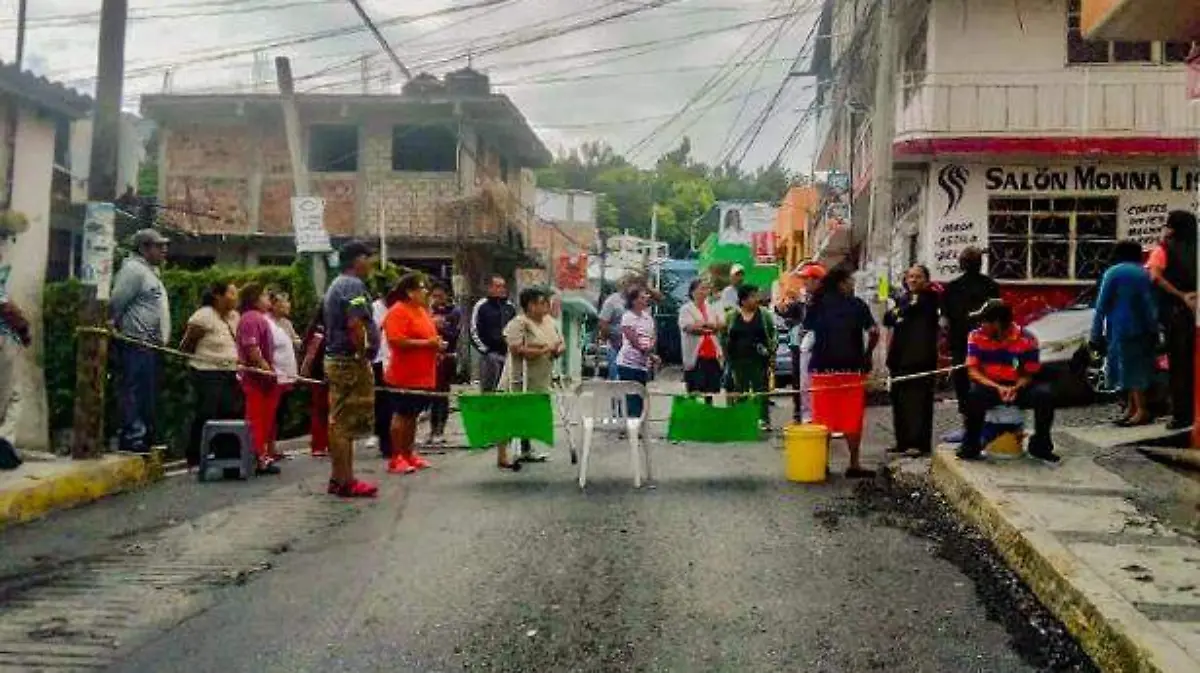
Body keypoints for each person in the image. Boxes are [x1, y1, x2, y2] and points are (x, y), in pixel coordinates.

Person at [959, 300, 1060, 463]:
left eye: (984, 321)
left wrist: (1015, 388)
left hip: (1018, 386)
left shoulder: (1027, 339)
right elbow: (973, 371)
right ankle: (971, 445)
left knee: (1044, 395)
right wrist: (998, 387)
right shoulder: (976, 336)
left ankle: (1041, 446)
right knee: (973, 395)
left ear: (997, 324)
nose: (981, 324)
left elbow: (1029, 374)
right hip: (990, 385)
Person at [803, 265, 879, 478]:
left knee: (822, 418)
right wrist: (868, 354)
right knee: (852, 417)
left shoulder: (817, 305)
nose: (852, 285)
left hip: (822, 369)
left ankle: (822, 464)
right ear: (841, 283)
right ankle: (854, 463)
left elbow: (807, 332)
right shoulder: (857, 305)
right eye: (850, 282)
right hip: (851, 369)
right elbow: (874, 332)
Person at [322, 240, 381, 498]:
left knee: (337, 422)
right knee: (345, 424)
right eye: (367, 259)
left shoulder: (337, 284)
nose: (370, 264)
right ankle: (346, 481)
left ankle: (339, 478)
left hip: (338, 359)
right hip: (348, 361)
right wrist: (361, 355)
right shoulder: (352, 285)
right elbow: (355, 322)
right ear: (357, 260)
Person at [109, 228, 171, 453]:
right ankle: (133, 436)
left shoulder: (150, 272)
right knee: (133, 391)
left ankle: (144, 435)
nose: (164, 250)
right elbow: (116, 303)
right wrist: (115, 330)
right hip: (135, 342)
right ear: (144, 248)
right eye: (158, 245)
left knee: (146, 392)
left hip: (149, 345)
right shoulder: (133, 271)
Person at [1091, 241, 1158, 427]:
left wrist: (1095, 334)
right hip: (1144, 326)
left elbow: (1101, 305)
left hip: (1122, 327)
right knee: (1138, 367)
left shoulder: (1113, 272)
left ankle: (1141, 411)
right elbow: (1150, 303)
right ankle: (1132, 409)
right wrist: (1155, 328)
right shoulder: (1144, 273)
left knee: (1128, 369)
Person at [381, 273, 441, 475]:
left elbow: (428, 336)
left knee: (413, 416)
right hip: (403, 374)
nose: (426, 291)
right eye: (421, 288)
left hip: (423, 375)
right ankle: (396, 456)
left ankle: (408, 454)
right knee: (402, 415)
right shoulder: (398, 311)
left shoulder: (421, 311)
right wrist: (427, 344)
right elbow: (396, 340)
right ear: (409, 292)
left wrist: (436, 344)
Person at [500, 286, 565, 468]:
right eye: (541, 303)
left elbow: (560, 343)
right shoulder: (519, 323)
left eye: (546, 302)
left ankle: (526, 449)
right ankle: (503, 455)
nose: (546, 306)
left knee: (529, 414)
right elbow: (516, 349)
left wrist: (557, 350)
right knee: (511, 414)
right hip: (519, 377)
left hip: (540, 376)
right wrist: (544, 350)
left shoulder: (550, 322)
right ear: (530, 305)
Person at [940, 247, 1000, 442]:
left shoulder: (952, 287)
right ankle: (985, 428)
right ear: (980, 264)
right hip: (988, 346)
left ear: (961, 264)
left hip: (961, 346)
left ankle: (968, 429)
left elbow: (944, 322)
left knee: (964, 387)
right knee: (984, 385)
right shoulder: (991, 286)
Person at [179, 281, 242, 468]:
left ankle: (227, 455)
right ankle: (196, 455)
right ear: (218, 296)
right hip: (207, 371)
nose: (235, 297)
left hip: (229, 371)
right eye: (231, 293)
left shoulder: (234, 317)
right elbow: (187, 344)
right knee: (207, 412)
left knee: (230, 413)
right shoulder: (204, 316)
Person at [1147, 210, 1197, 430]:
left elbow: (1155, 277)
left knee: (1178, 365)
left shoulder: (1163, 249)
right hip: (1193, 311)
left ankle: (1181, 415)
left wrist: (1181, 296)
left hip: (1176, 312)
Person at [884, 265, 941, 456]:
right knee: (899, 401)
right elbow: (888, 318)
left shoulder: (930, 300)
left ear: (926, 279)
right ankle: (902, 441)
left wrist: (900, 312)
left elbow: (905, 312)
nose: (913, 280)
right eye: (910, 277)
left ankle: (918, 443)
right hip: (899, 358)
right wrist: (899, 311)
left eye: (918, 277)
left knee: (918, 403)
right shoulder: (904, 299)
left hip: (920, 359)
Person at [234, 283, 282, 475]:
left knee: (264, 420)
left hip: (263, 381)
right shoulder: (250, 319)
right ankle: (258, 458)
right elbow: (251, 348)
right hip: (255, 380)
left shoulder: (259, 318)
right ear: (254, 299)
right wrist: (266, 368)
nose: (267, 299)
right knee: (256, 420)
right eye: (264, 295)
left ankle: (262, 456)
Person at [723, 284, 777, 429]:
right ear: (743, 300)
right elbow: (724, 336)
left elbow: (773, 333)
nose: (756, 299)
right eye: (753, 296)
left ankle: (763, 419)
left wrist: (770, 350)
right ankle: (743, 418)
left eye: (756, 296)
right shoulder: (732, 316)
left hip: (759, 360)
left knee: (761, 390)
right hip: (738, 360)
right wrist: (726, 355)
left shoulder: (764, 315)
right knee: (740, 390)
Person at [777, 263, 825, 422]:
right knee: (801, 383)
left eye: (807, 279)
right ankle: (803, 414)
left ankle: (815, 415)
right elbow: (785, 312)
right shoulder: (804, 301)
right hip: (803, 347)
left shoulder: (823, 301)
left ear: (817, 281)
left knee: (814, 384)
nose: (804, 283)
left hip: (819, 349)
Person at [266, 289, 300, 461]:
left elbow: (295, 340)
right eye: (283, 301)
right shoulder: (266, 322)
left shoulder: (286, 323)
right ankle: (266, 449)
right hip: (274, 374)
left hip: (287, 375)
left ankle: (273, 447)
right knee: (271, 412)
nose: (287, 305)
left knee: (280, 412)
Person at [678, 278, 724, 401]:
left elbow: (719, 325)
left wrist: (705, 325)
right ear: (693, 292)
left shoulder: (711, 307)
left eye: (707, 289)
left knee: (710, 390)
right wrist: (706, 326)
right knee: (694, 389)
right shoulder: (686, 309)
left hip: (711, 353)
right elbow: (689, 327)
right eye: (702, 289)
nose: (705, 292)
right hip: (696, 354)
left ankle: (708, 414)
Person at [428, 283, 463, 445]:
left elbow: (454, 335)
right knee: (430, 394)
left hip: (447, 357)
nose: (437, 300)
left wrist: (439, 327)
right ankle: (432, 428)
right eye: (434, 296)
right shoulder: (427, 311)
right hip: (429, 357)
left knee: (442, 393)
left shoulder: (454, 312)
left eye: (440, 296)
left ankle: (440, 429)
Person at [616, 287, 657, 419]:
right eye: (641, 297)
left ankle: (637, 424)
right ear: (634, 301)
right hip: (628, 363)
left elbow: (652, 336)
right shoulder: (628, 317)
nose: (645, 299)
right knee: (630, 395)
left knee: (640, 395)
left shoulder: (648, 318)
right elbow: (633, 340)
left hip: (642, 364)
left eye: (646, 297)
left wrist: (651, 349)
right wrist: (648, 352)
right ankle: (627, 425)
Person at [0, 292, 32, 465]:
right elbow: (6, 307)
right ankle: (4, 440)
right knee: (13, 394)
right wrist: (24, 329)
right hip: (3, 337)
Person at [471, 275, 517, 393]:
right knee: (489, 388)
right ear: (490, 288)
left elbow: (515, 329)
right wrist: (485, 350)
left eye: (503, 286)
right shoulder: (481, 306)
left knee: (506, 389)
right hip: (489, 354)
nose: (501, 289)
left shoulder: (510, 307)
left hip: (507, 355)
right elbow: (473, 330)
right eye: (497, 286)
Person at [299, 306, 329, 457]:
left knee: (328, 410)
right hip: (319, 374)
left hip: (326, 373)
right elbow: (311, 354)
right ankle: (318, 444)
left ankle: (327, 442)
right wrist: (306, 372)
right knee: (320, 410)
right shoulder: (320, 329)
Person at [371, 286, 397, 458]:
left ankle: (395, 440)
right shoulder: (375, 309)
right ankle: (385, 441)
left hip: (394, 360)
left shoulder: (396, 308)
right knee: (383, 404)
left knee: (395, 403)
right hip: (379, 360)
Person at [598, 276, 639, 380]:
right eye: (630, 284)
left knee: (632, 381)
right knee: (617, 379)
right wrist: (612, 338)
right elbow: (603, 323)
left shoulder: (637, 301)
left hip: (634, 349)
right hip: (616, 346)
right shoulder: (612, 301)